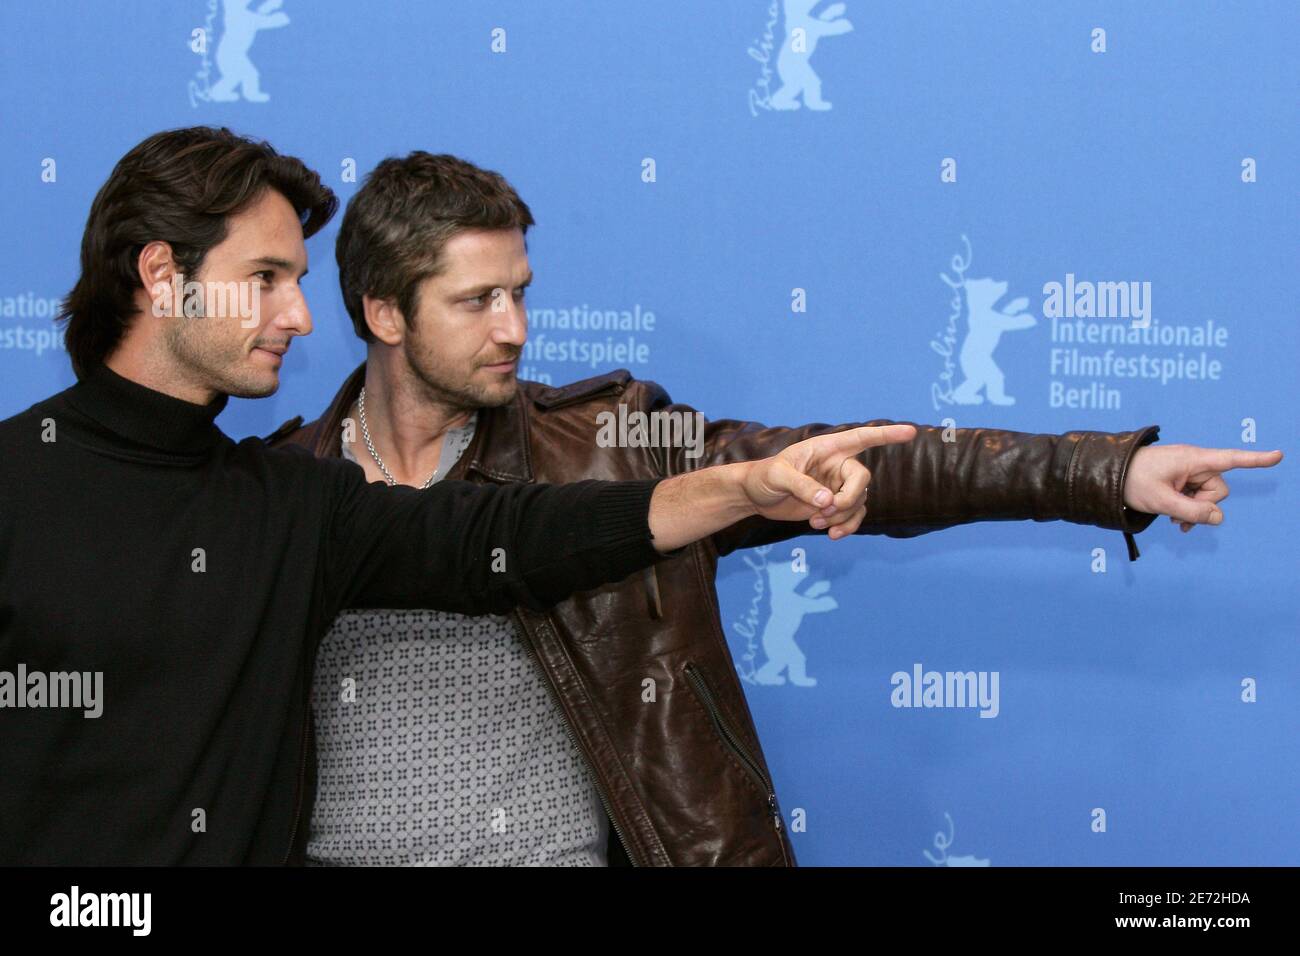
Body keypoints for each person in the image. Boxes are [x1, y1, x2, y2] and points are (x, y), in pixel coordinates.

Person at [271, 151, 1283, 866]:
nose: (516, 328)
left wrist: (1103, 472)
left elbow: (869, 466)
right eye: (478, 300)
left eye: (522, 292)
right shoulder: (277, 493)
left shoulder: (610, 446)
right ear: (384, 312)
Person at [0, 126, 897, 865]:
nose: (301, 317)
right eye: (265, 279)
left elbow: (503, 534)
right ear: (162, 275)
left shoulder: (290, 502)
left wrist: (737, 487)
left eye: (299, 282)